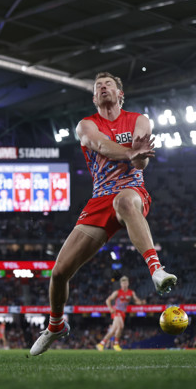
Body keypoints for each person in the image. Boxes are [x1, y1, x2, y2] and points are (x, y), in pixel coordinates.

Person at [30, 72, 177, 356]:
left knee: (123, 201)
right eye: (98, 87)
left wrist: (138, 156)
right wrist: (130, 154)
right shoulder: (86, 124)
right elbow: (98, 144)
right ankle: (56, 325)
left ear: (120, 94)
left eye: (109, 84)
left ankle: (156, 270)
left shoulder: (139, 120)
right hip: (99, 199)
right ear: (94, 98)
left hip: (132, 191)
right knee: (59, 273)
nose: (103, 88)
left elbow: (141, 163)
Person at [97, 276, 144, 351]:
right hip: (116, 311)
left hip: (123, 313)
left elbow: (136, 300)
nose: (124, 284)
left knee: (113, 330)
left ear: (128, 283)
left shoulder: (131, 292)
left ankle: (101, 344)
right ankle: (116, 344)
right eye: (123, 283)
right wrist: (110, 308)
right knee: (121, 326)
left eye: (126, 283)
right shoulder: (117, 292)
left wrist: (141, 302)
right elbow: (108, 300)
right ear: (121, 284)